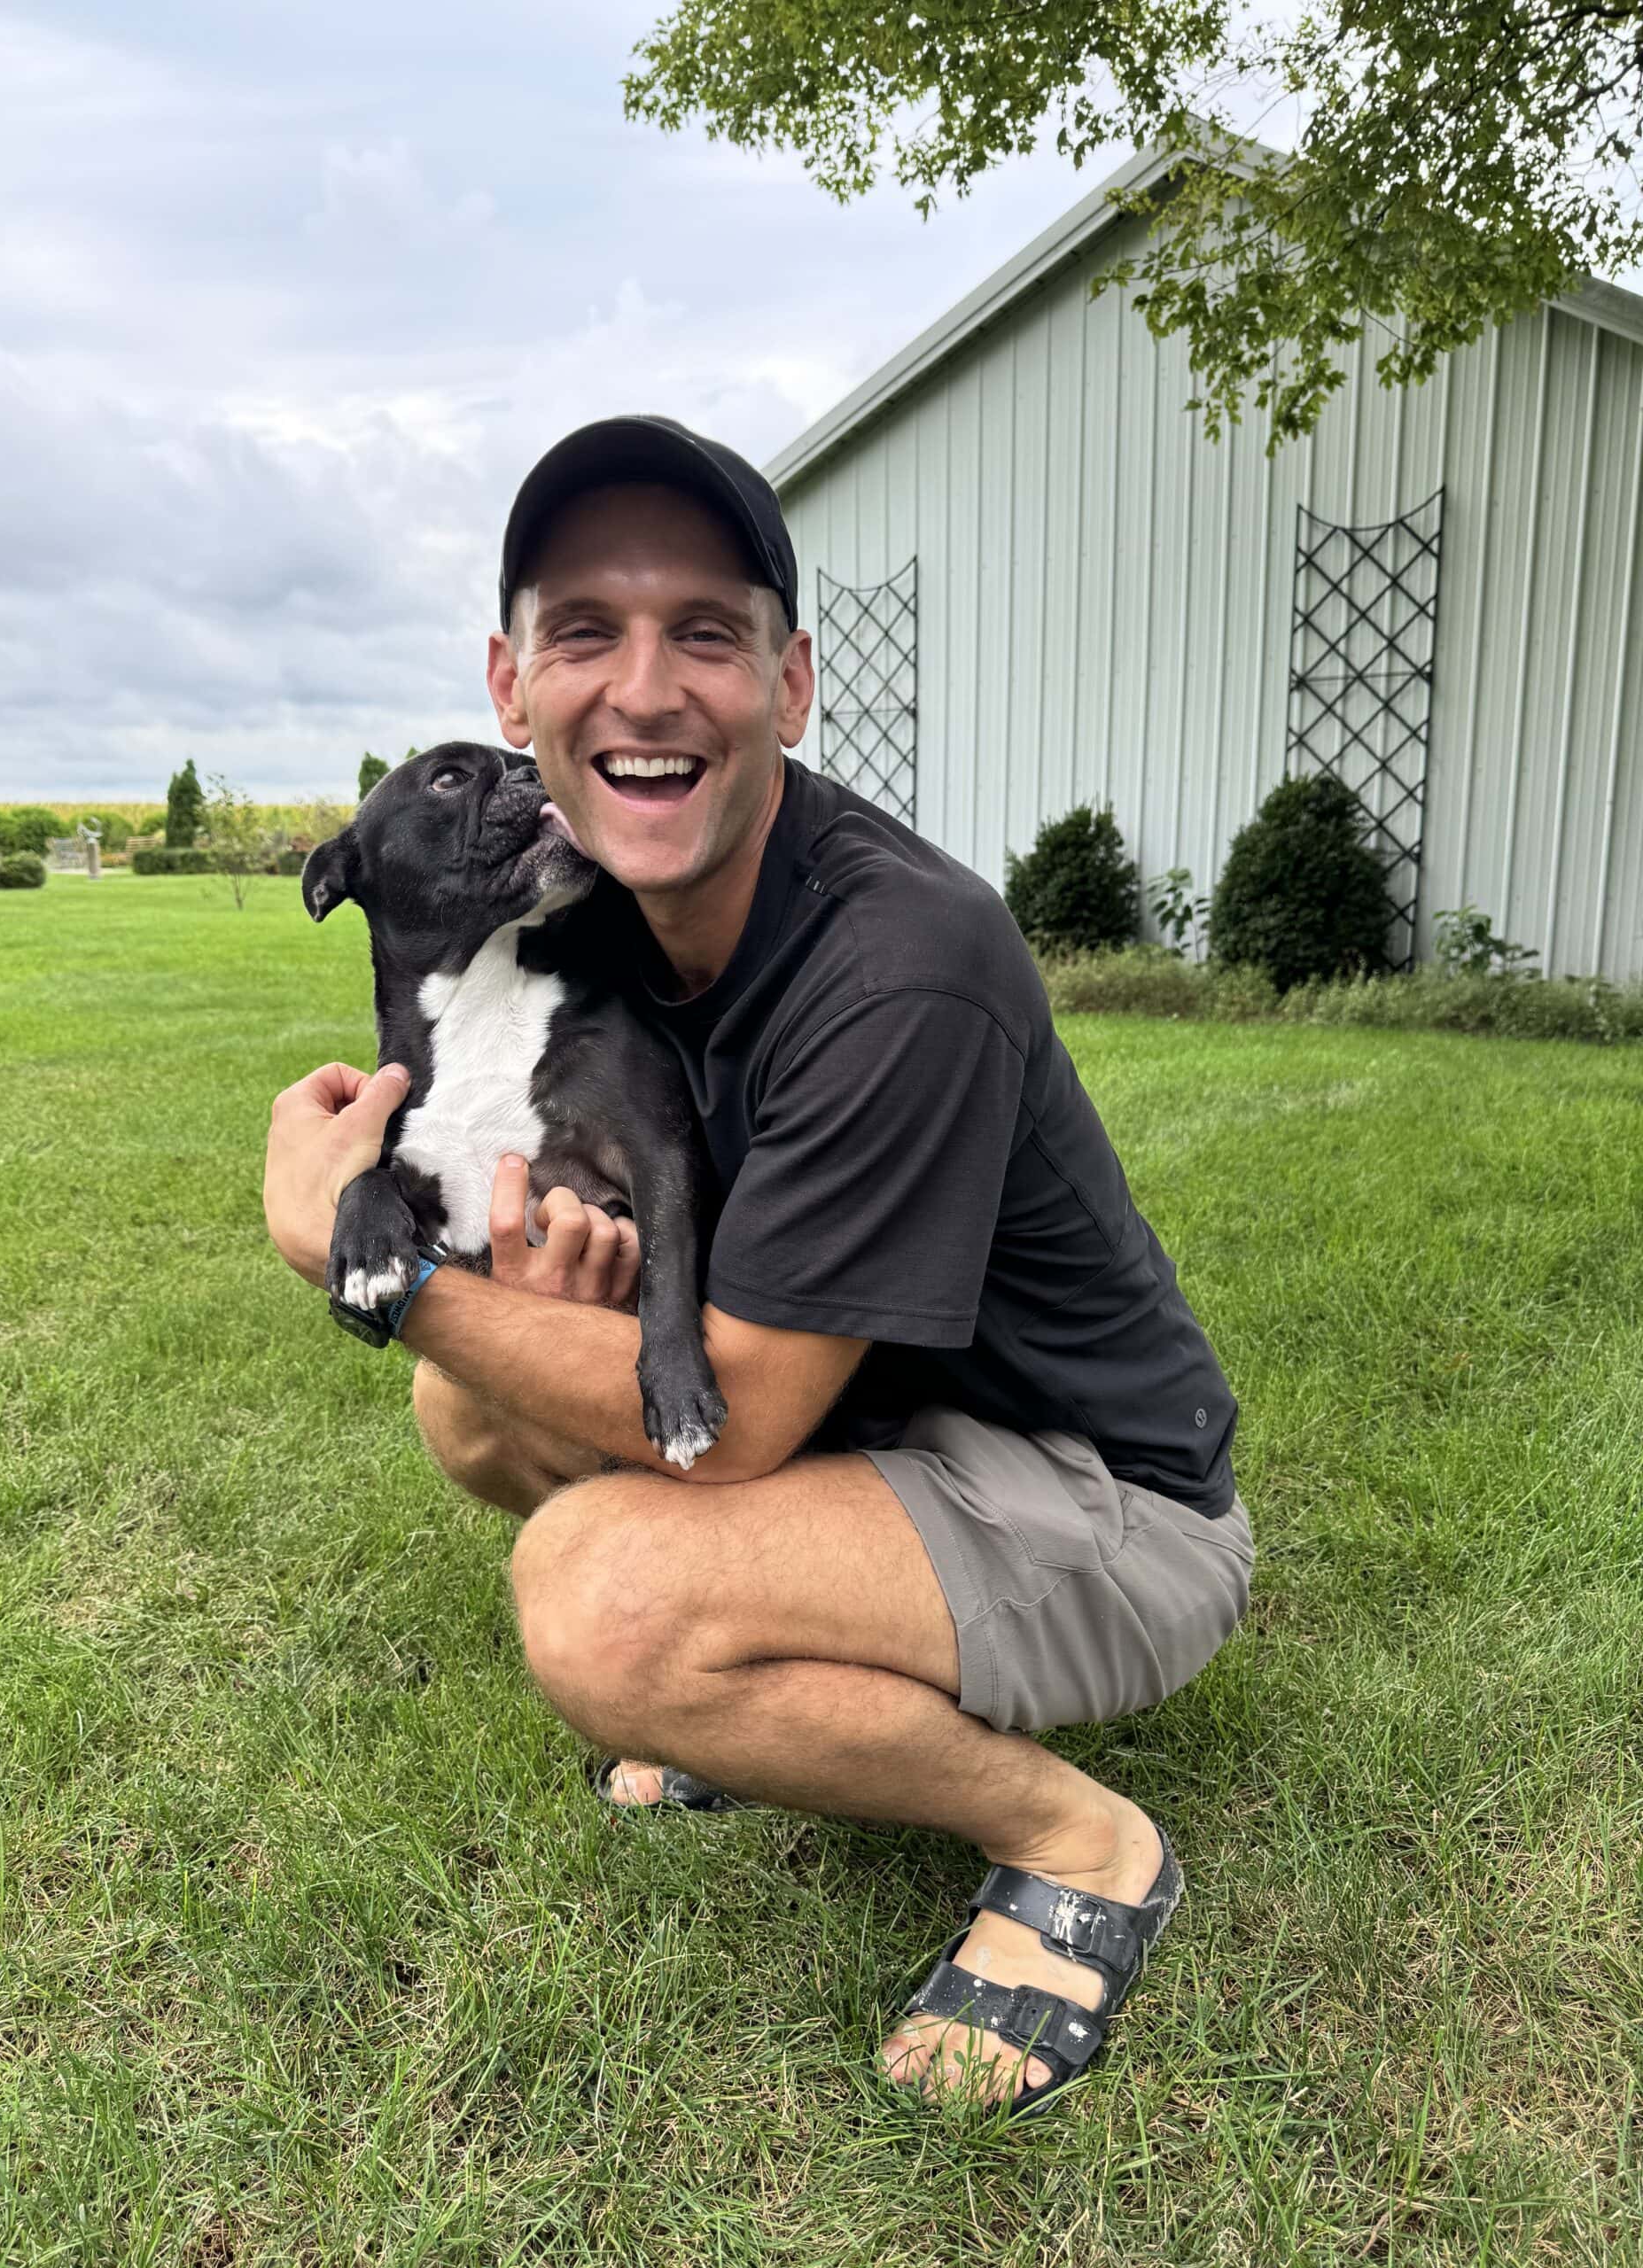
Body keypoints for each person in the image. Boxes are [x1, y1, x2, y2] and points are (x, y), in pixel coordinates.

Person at [262, 416, 1254, 2119]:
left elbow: (746, 1411)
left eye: (706, 634)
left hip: (1111, 1501)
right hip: (893, 1436)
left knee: (600, 1599)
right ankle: (767, 1694)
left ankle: (1080, 1840)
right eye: (588, 632)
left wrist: (358, 1261)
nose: (643, 690)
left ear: (791, 684)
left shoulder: (899, 960)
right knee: (470, 1411)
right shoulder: (580, 915)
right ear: (515, 687)